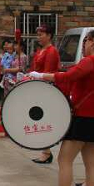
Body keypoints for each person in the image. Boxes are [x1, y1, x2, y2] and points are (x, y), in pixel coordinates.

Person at [31, 28, 94, 186]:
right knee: (92, 163)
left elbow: (67, 76)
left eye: (85, 41)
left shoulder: (91, 61)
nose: (84, 45)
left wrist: (40, 75)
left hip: (83, 116)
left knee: (64, 160)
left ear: (92, 41)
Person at [31, 24, 61, 164]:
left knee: (44, 119)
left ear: (49, 35)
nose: (39, 37)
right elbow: (35, 69)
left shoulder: (51, 51)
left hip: (47, 87)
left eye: (41, 34)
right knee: (40, 118)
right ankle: (45, 151)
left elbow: (48, 72)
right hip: (38, 86)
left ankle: (46, 151)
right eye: (38, 34)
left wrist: (37, 76)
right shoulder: (40, 51)